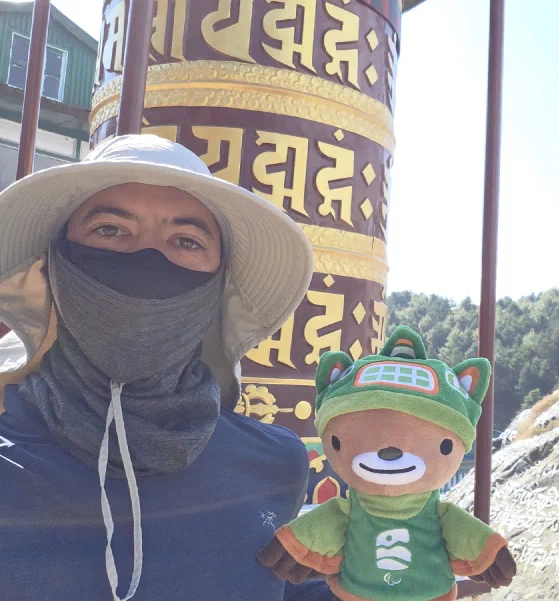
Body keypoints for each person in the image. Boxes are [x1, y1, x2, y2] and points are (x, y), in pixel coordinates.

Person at [0, 135, 332, 600]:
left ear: (216, 287)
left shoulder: (277, 463)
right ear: (55, 264)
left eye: (186, 240)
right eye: (110, 230)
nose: (147, 260)